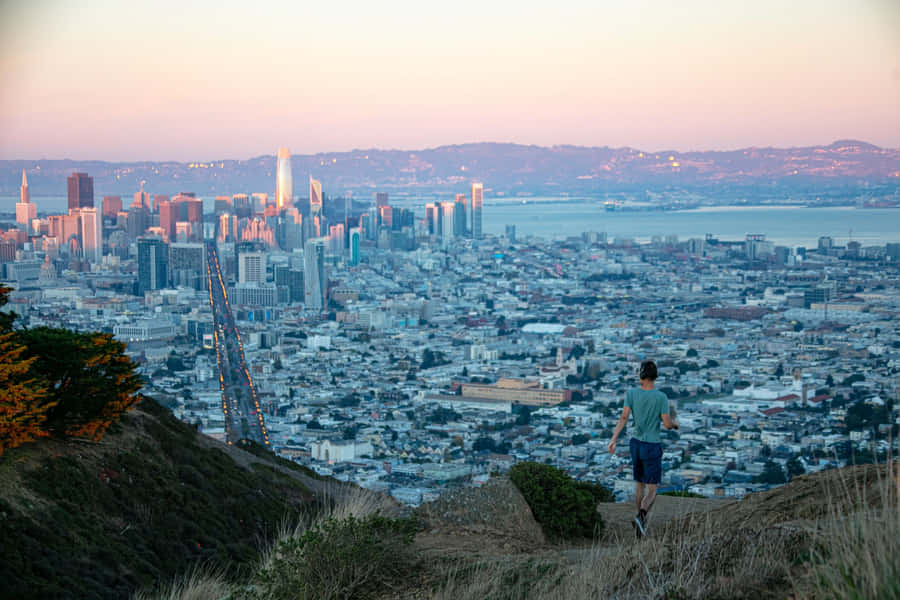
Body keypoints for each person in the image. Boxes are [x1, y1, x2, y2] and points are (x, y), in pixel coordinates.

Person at [608, 360, 678, 538]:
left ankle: (640, 522)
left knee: (639, 484)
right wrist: (675, 424)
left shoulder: (631, 393)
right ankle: (641, 517)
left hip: (635, 444)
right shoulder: (661, 397)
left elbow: (624, 417)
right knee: (652, 489)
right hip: (652, 445)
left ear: (641, 374)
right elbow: (667, 423)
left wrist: (613, 439)